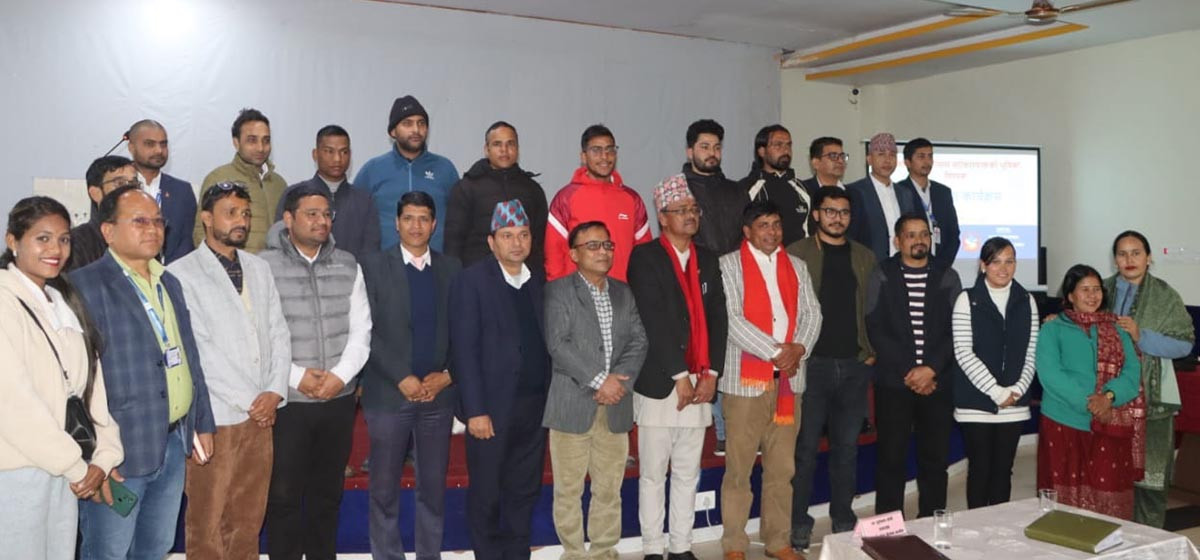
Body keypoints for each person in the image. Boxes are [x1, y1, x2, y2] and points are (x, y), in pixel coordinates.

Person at [72, 185, 216, 560]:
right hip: (118, 454)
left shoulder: (169, 282)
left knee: (155, 549)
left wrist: (202, 421)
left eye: (157, 221)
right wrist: (93, 455)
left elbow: (189, 356)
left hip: (172, 443)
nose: (153, 229)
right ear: (108, 231)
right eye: (139, 221)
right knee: (109, 551)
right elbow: (74, 382)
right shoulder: (83, 286)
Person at [169, 183, 292, 558]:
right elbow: (198, 349)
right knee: (207, 522)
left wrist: (274, 391)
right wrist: (253, 400)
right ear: (206, 218)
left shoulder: (259, 268)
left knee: (248, 519)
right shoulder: (180, 273)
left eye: (246, 213)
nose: (241, 221)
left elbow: (278, 331)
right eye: (231, 213)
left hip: (261, 417)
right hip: (215, 417)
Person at [0, 196, 123, 560]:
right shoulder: (4, 302)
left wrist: (105, 454)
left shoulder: (63, 300)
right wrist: (76, 465)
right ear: (12, 241)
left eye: (64, 239)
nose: (56, 249)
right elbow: (13, 404)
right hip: (19, 471)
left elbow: (90, 389)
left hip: (68, 471)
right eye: (43, 238)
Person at [261, 185, 372, 560]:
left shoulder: (348, 263)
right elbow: (258, 334)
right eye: (312, 214)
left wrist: (340, 376)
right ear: (288, 219)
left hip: (338, 399)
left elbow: (361, 330)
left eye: (327, 214)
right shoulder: (262, 267)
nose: (322, 221)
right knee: (284, 496)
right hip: (288, 400)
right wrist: (295, 377)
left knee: (327, 495)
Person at [627, 176, 728, 560]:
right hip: (660, 383)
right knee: (654, 474)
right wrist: (679, 376)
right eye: (681, 210)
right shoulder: (645, 257)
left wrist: (711, 374)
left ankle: (681, 546)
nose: (690, 215)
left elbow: (718, 318)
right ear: (663, 217)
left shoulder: (709, 259)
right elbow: (652, 320)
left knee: (688, 472)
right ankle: (653, 548)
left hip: (701, 381)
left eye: (693, 209)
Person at [360, 191, 462, 560]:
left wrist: (448, 375)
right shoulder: (372, 266)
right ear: (397, 223)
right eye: (408, 218)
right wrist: (401, 376)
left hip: (438, 396)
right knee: (384, 489)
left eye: (423, 219)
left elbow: (465, 330)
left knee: (432, 489)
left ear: (434, 225)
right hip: (389, 395)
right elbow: (364, 330)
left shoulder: (452, 268)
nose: (416, 226)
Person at [719, 200, 821, 560]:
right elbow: (732, 319)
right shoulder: (728, 265)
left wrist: (799, 348)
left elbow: (812, 313)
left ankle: (777, 540)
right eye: (763, 225)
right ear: (747, 231)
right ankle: (734, 544)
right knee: (739, 469)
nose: (772, 232)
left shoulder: (797, 266)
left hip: (789, 383)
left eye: (776, 224)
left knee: (782, 468)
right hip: (746, 384)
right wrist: (779, 352)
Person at [451, 199, 550, 560]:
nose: (517, 243)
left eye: (523, 235)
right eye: (507, 236)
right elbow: (463, 351)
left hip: (535, 406)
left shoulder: (538, 280)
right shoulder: (471, 281)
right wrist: (475, 410)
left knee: (524, 490)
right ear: (492, 242)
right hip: (491, 409)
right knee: (488, 492)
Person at [544, 221, 647, 560]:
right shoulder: (558, 291)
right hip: (572, 404)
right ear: (573, 254)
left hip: (615, 404)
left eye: (607, 245)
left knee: (608, 489)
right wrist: (600, 380)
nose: (602, 252)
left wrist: (619, 382)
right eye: (592, 246)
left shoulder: (623, 292)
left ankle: (604, 552)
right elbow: (558, 345)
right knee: (568, 490)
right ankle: (574, 554)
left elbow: (638, 340)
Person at [785, 187, 876, 550]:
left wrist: (871, 351)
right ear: (816, 215)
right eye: (830, 211)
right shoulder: (797, 253)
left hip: (854, 365)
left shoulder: (864, 256)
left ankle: (842, 518)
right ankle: (798, 523)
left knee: (846, 449)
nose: (837, 218)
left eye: (844, 212)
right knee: (805, 450)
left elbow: (875, 309)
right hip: (812, 366)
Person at [865, 212, 960, 518]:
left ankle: (932, 521)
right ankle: (889, 527)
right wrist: (912, 372)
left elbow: (956, 329)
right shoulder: (882, 274)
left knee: (935, 460)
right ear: (897, 241)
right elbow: (874, 326)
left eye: (924, 234)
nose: (919, 240)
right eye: (911, 235)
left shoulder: (947, 275)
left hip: (937, 383)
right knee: (891, 459)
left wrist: (930, 369)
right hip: (894, 383)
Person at [1104, 231, 1195, 527]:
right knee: (1108, 479)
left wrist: (1140, 335)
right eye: (1122, 253)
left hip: (1153, 403)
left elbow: (1184, 344)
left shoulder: (1165, 296)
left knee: (1151, 483)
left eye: (1136, 253)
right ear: (1115, 259)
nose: (1129, 259)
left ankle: (1150, 541)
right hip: (1106, 400)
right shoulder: (1099, 291)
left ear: (1149, 257)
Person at [1037, 264, 1142, 519]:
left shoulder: (1116, 329)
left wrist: (1108, 398)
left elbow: (1132, 371)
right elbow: (1050, 374)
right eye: (1084, 289)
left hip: (1109, 422)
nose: (1092, 295)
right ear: (1070, 295)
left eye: (1096, 289)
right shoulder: (1053, 328)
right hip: (1063, 421)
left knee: (1108, 498)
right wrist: (1091, 404)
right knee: (1063, 501)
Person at [951, 236, 1038, 509]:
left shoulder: (1027, 300)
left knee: (1003, 472)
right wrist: (997, 392)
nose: (1003, 268)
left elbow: (1032, 351)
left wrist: (1017, 390)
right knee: (979, 470)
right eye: (996, 261)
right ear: (983, 265)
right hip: (976, 404)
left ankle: (1000, 529)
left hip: (1014, 404)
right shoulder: (967, 299)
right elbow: (963, 352)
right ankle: (976, 530)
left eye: (1009, 261)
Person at [546, 124, 650, 282]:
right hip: (577, 294)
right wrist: (560, 293)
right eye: (596, 150)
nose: (604, 157)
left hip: (624, 293)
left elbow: (644, 255)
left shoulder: (632, 199)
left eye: (610, 150)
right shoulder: (565, 198)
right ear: (583, 156)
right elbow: (554, 256)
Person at [355, 95, 460, 252]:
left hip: (435, 263)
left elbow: (458, 221)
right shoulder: (372, 170)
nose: (416, 130)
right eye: (407, 123)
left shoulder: (445, 169)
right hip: (385, 263)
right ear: (393, 131)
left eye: (421, 123)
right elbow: (356, 219)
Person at [445, 121, 548, 270]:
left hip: (523, 275)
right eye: (497, 144)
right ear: (487, 149)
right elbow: (453, 241)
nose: (504, 150)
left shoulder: (532, 189)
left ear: (517, 149)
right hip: (478, 275)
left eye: (510, 144)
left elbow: (540, 241)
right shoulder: (466, 188)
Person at [275, 125, 382, 258]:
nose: (337, 158)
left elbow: (371, 251)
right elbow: (279, 243)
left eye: (344, 152)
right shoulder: (294, 195)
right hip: (299, 270)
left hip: (352, 270)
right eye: (329, 151)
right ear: (315, 154)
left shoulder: (364, 200)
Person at [194, 108, 288, 253]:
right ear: (236, 143)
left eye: (266, 140)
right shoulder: (219, 178)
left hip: (275, 265)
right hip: (234, 265)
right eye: (252, 140)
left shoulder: (279, 184)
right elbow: (201, 232)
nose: (261, 148)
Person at [127, 119, 197, 263]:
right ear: (131, 147)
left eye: (163, 144)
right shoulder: (118, 186)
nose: (159, 150)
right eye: (150, 144)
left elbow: (188, 240)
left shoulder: (182, 190)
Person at [847, 132, 917, 262]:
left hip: (902, 265)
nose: (887, 160)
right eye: (881, 154)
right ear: (869, 159)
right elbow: (850, 236)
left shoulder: (905, 193)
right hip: (868, 265)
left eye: (892, 155)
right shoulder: (855, 191)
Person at [679, 119, 746, 255]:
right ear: (690, 152)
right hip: (694, 266)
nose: (712, 153)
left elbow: (749, 233)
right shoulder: (678, 191)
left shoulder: (737, 190)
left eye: (717, 147)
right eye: (705, 147)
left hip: (735, 265)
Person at [740, 125, 813, 246]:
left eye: (788, 145)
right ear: (762, 151)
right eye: (778, 145)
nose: (785, 150)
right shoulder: (746, 188)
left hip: (799, 257)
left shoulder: (803, 189)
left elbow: (812, 234)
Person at [895, 138, 960, 269]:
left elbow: (953, 234)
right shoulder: (899, 191)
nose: (927, 161)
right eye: (921, 156)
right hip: (910, 265)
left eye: (930, 156)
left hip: (940, 266)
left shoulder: (943, 192)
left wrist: (942, 266)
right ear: (907, 162)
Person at [66, 156, 138, 271]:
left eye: (134, 183)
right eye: (120, 183)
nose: (130, 190)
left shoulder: (145, 236)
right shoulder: (75, 243)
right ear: (95, 193)